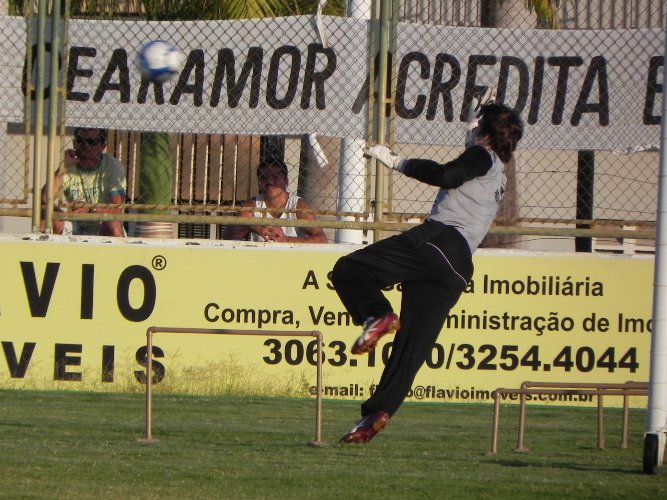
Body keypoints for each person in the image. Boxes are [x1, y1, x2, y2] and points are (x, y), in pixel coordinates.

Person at [330, 100, 524, 444]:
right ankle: (374, 416)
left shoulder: (482, 156)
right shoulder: (499, 174)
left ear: (486, 133)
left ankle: (377, 315)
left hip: (439, 240)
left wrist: (395, 161)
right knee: (411, 347)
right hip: (458, 267)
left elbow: (445, 175)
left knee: (349, 268)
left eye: (474, 126)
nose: (469, 131)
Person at [42, 127, 127, 236]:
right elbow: (45, 198)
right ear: (74, 143)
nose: (86, 145)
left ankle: (114, 253)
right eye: (80, 140)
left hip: (102, 225)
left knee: (113, 223)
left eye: (92, 142)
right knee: (45, 210)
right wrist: (62, 168)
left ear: (103, 146)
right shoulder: (69, 166)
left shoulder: (112, 166)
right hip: (75, 225)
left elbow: (117, 209)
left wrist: (90, 208)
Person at [228, 159, 327, 243]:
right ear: (258, 182)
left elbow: (322, 240)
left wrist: (286, 239)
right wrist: (256, 227)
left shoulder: (298, 206)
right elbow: (230, 238)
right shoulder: (251, 205)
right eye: (264, 177)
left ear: (286, 181)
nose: (270, 182)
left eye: (275, 177)